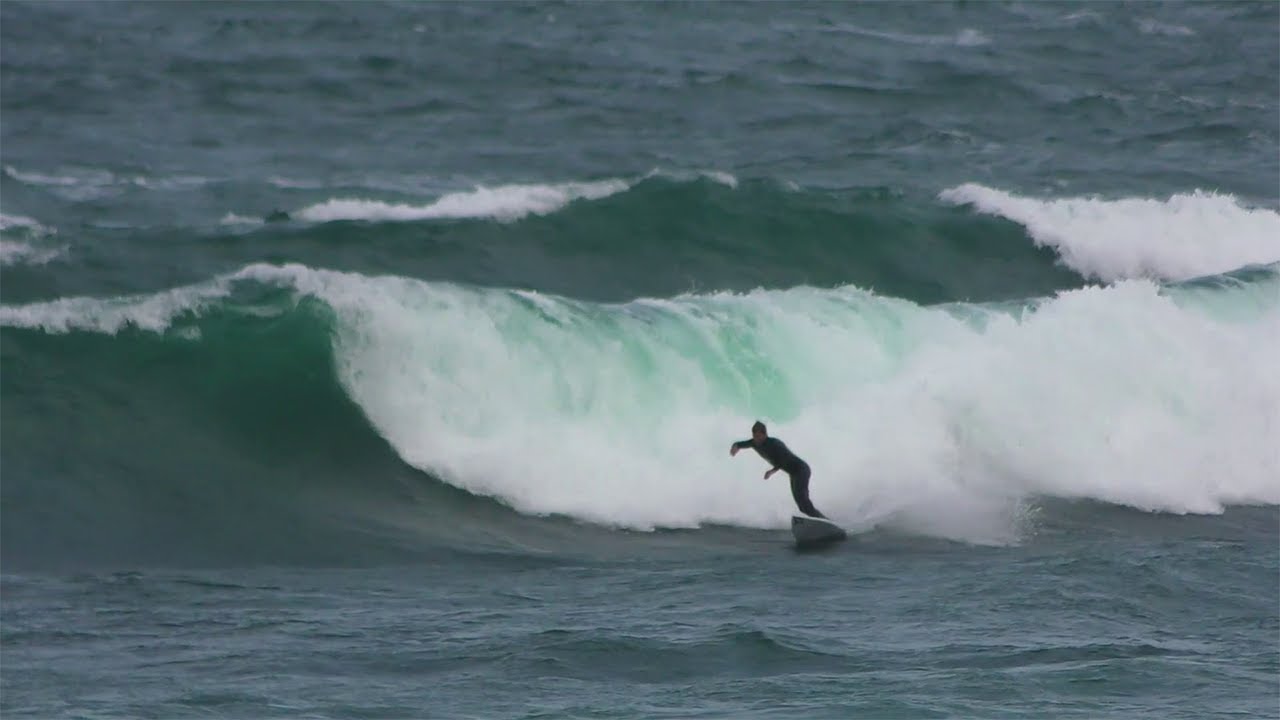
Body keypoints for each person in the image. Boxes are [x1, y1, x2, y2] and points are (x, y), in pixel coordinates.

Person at [730, 420, 826, 518]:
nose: (757, 440)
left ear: (765, 434)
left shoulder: (775, 443)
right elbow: (739, 444)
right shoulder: (753, 443)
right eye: (755, 436)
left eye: (759, 437)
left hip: (801, 470)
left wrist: (772, 471)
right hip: (793, 473)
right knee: (802, 507)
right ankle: (821, 522)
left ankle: (824, 522)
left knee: (804, 501)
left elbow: (783, 460)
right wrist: (734, 447)